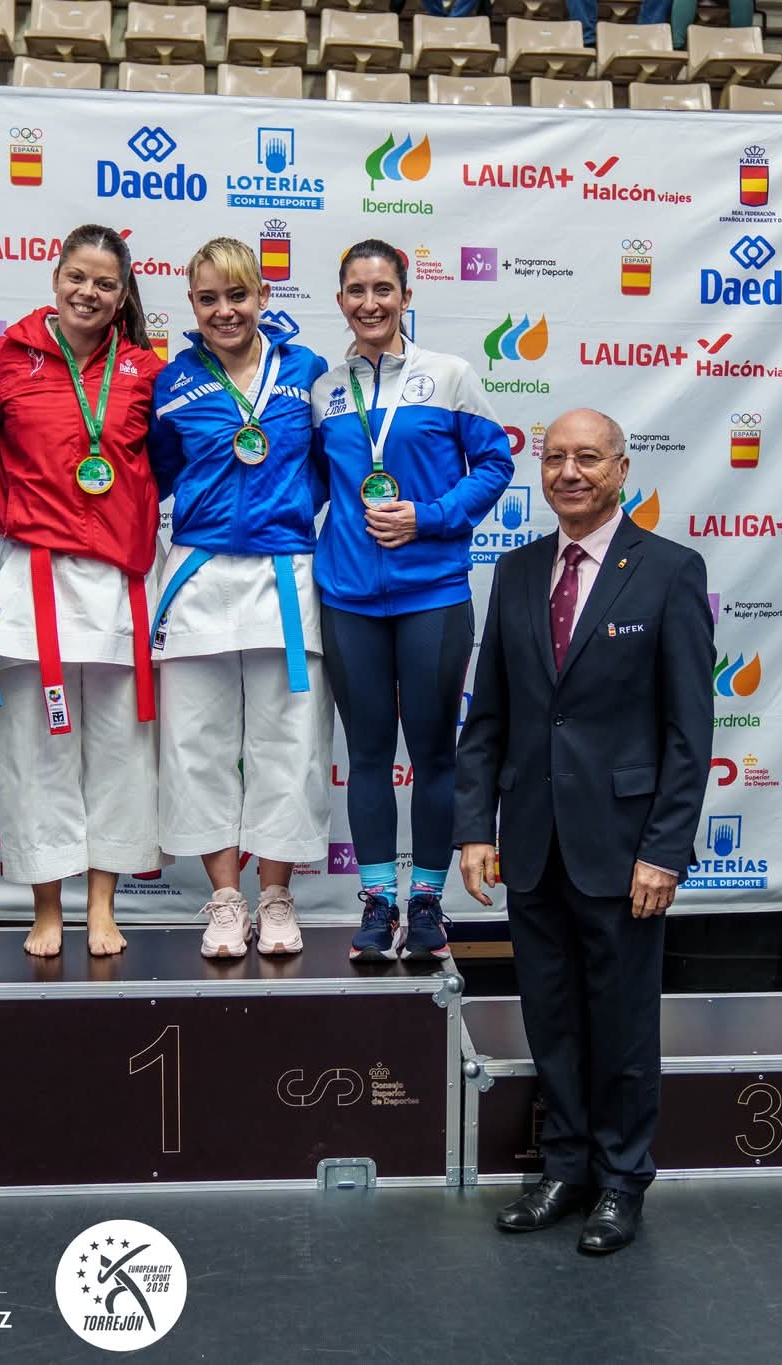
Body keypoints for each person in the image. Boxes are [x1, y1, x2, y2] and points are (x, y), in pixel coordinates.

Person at [452, 408, 713, 1256]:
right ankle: (564, 1169)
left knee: (624, 1026)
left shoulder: (670, 571)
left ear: (622, 468)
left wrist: (665, 849)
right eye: (555, 457)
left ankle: (622, 1181)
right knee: (552, 1018)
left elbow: (688, 732)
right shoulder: (517, 570)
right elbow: (489, 714)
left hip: (626, 849)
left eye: (588, 457)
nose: (569, 471)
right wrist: (475, 826)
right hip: (531, 844)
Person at [311, 240, 513, 962]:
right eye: (356, 290)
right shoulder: (325, 390)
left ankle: (427, 901)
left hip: (432, 593)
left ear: (405, 295)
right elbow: (311, 485)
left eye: (383, 289)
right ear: (340, 299)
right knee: (366, 753)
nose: (370, 303)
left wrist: (429, 517)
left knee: (432, 752)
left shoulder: (449, 375)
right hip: (348, 596)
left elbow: (495, 463)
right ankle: (377, 900)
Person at [0, 225, 165, 957]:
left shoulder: (145, 369)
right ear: (55, 278)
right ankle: (47, 907)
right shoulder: (4, 358)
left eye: (105, 283)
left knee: (120, 751)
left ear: (123, 294)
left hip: (118, 578)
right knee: (36, 754)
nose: (88, 293)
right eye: (76, 277)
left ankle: (103, 905)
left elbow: (167, 465)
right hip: (34, 577)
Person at [150, 237, 331, 958]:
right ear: (192, 305)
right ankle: (226, 898)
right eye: (208, 298)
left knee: (290, 742)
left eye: (237, 295)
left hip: (284, 574)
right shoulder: (173, 381)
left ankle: (276, 896)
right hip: (199, 575)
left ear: (263, 296)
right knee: (196, 743)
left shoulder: (306, 370)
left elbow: (330, 465)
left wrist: (286, 511)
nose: (224, 310)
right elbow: (162, 472)